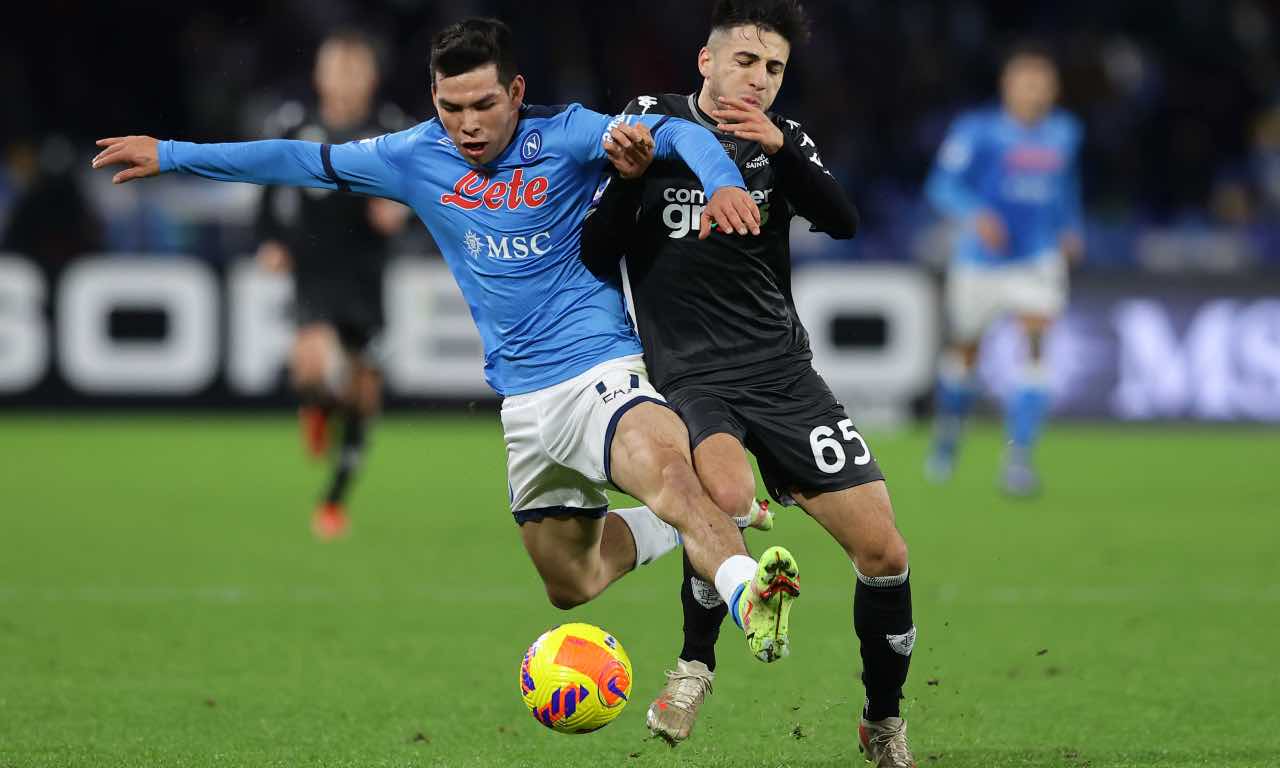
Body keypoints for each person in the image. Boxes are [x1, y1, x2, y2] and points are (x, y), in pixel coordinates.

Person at [93, 17, 801, 664]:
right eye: (450, 106)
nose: (466, 125)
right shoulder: (411, 156)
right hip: (523, 402)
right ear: (431, 96)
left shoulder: (567, 133)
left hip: (601, 367)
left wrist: (717, 182)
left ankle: (749, 597)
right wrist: (172, 153)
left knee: (668, 475)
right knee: (571, 581)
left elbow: (678, 132)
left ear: (516, 92)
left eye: (483, 106)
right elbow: (294, 161)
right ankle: (707, 520)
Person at [579, 2, 916, 763]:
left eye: (774, 70)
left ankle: (883, 719)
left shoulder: (784, 141)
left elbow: (845, 221)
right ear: (706, 61)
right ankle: (695, 666)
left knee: (885, 552)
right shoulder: (650, 124)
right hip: (691, 373)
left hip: (783, 374)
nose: (759, 81)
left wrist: (785, 155)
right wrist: (631, 181)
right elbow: (597, 251)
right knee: (724, 499)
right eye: (746, 63)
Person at [254, 29, 412, 539]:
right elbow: (264, 184)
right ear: (320, 76)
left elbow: (423, 185)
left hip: (366, 274)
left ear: (370, 78)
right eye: (336, 71)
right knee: (312, 364)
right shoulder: (295, 124)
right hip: (314, 268)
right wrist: (270, 239)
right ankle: (316, 405)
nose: (344, 83)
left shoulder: (388, 129)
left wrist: (400, 210)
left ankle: (334, 499)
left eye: (354, 71)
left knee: (364, 390)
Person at [924, 42, 1084, 496]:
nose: (1035, 92)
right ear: (1007, 86)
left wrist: (1070, 227)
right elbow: (941, 186)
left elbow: (1066, 188)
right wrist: (977, 215)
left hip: (1037, 258)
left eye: (1043, 84)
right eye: (1026, 83)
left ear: (1053, 90)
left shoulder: (1065, 132)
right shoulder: (978, 131)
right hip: (981, 263)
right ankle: (949, 433)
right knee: (964, 355)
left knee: (1036, 348)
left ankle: (1019, 459)